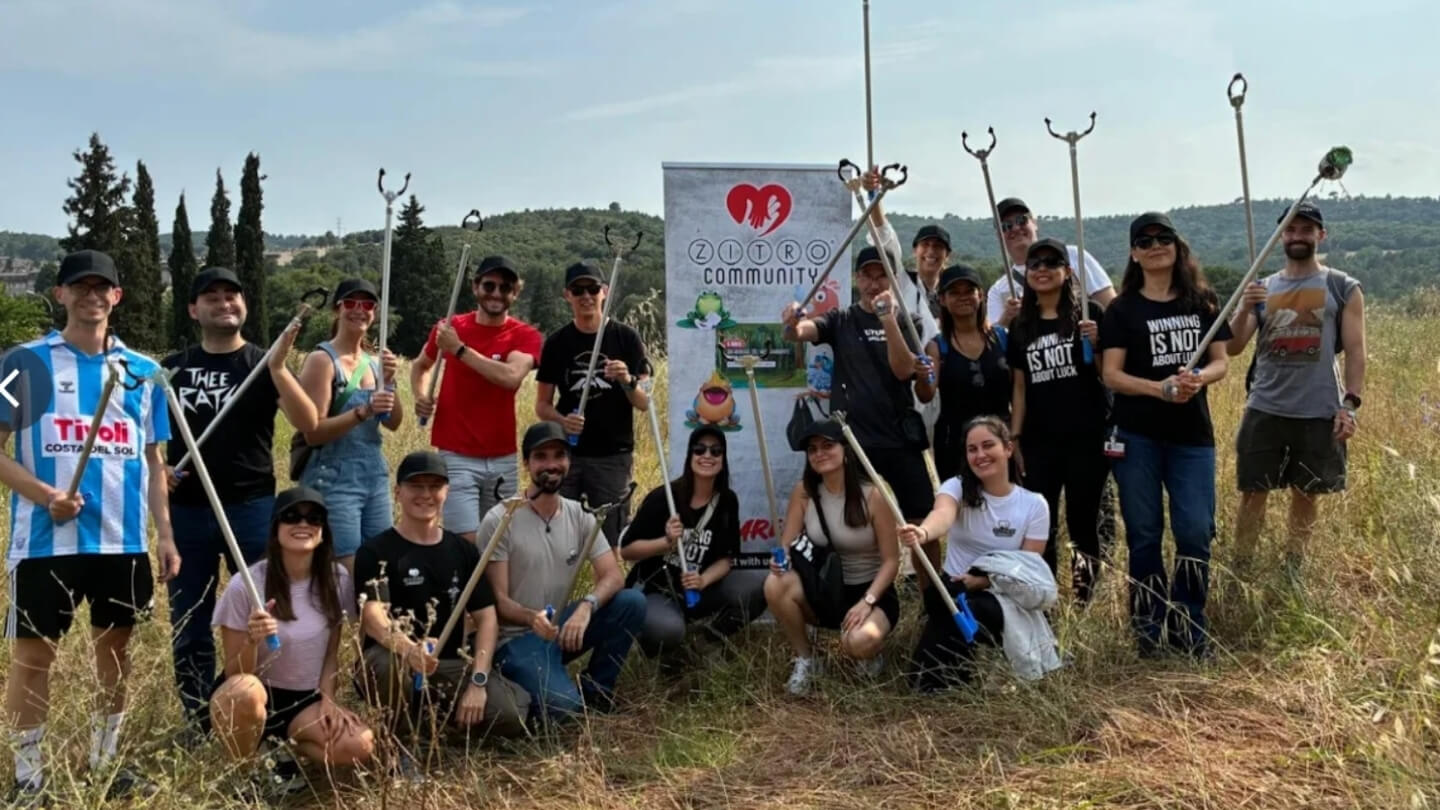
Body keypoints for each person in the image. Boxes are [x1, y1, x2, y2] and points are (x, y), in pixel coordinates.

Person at [3, 250, 177, 801]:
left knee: (116, 655)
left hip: (120, 541)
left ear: (117, 297)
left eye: (103, 287)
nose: (91, 295)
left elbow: (154, 463)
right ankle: (28, 774)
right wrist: (45, 494)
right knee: (33, 658)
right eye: (80, 286)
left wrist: (165, 534)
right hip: (42, 541)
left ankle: (108, 762)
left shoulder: (143, 372)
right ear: (60, 294)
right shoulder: (20, 363)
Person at [162, 266, 320, 731]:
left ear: (244, 305)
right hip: (187, 511)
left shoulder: (262, 363)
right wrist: (157, 471)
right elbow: (146, 440)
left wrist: (276, 368)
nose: (223, 303)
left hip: (251, 509)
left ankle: (269, 712)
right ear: (193, 309)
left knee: (267, 613)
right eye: (210, 296)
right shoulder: (170, 369)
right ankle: (198, 717)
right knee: (190, 619)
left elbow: (308, 422)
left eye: (232, 295)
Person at [1100, 212, 1230, 657]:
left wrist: (1199, 378)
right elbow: (1112, 375)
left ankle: (1190, 624)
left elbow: (1222, 362)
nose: (1156, 246)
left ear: (1177, 246)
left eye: (1164, 238)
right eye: (1145, 240)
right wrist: (1158, 388)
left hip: (1192, 437)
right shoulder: (1122, 310)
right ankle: (1148, 626)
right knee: (1144, 533)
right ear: (1134, 253)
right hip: (1136, 437)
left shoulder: (1202, 300)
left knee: (1195, 530)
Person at [1224, 202, 1365, 580]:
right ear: (1280, 236)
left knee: (1307, 494)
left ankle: (1293, 570)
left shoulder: (1343, 287)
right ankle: (1242, 568)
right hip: (1265, 407)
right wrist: (1244, 308)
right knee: (1253, 492)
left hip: (1319, 408)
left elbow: (1355, 351)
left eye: (1306, 229)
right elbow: (1235, 347)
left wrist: (1349, 405)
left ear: (1321, 235)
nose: (1297, 236)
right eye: (1290, 229)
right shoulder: (1262, 287)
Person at [353, 451, 530, 739]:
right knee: (388, 666)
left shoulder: (463, 551)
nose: (426, 494)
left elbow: (487, 619)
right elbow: (373, 617)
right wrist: (409, 650)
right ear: (398, 493)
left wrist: (478, 682)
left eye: (435, 486)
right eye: (416, 486)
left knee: (513, 712)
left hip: (448, 664)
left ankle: (431, 729)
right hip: (395, 659)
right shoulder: (376, 551)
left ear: (446, 492)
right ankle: (399, 742)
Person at [209, 486, 373, 793]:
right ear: (275, 529)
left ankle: (283, 751)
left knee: (359, 745)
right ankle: (246, 773)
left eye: (314, 518)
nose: (303, 524)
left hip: (303, 698)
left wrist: (328, 699)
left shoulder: (337, 580)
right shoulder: (246, 584)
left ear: (323, 532)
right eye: (291, 517)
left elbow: (330, 654)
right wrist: (252, 641)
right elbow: (235, 673)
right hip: (253, 695)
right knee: (245, 691)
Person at [487, 422, 646, 722]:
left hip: (558, 626)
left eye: (559, 456)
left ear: (569, 462)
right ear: (526, 464)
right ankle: (529, 690)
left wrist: (587, 606)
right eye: (541, 456)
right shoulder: (501, 519)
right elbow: (499, 602)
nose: (551, 465)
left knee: (631, 602)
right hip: (516, 640)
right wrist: (531, 618)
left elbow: (613, 576)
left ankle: (597, 691)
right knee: (564, 708)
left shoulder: (580, 515)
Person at [897, 416, 1057, 692]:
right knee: (923, 678)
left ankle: (982, 663)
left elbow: (1027, 572)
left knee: (966, 606)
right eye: (972, 449)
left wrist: (983, 581)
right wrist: (923, 533)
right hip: (952, 593)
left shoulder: (1034, 505)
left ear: (1008, 448)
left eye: (987, 446)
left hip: (1003, 597)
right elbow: (942, 515)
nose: (980, 455)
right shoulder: (957, 487)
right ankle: (961, 671)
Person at [780, 247, 930, 522]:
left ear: (894, 279)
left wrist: (887, 319)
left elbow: (903, 371)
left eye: (881, 277)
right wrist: (792, 323)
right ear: (857, 278)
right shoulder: (841, 320)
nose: (874, 285)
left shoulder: (909, 321)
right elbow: (800, 333)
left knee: (920, 521)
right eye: (867, 276)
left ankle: (923, 566)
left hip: (899, 439)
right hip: (853, 441)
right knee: (853, 521)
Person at [763, 419, 901, 695]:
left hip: (871, 592)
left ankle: (871, 652)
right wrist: (780, 559)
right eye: (812, 449)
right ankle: (807, 658)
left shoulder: (874, 495)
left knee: (858, 643)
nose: (819, 453)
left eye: (828, 445)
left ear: (846, 450)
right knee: (774, 583)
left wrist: (867, 602)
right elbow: (786, 544)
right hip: (826, 589)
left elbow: (892, 561)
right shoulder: (804, 492)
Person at [412, 256, 543, 541]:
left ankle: (492, 588)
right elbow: (420, 366)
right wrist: (421, 396)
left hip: (502, 456)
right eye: (489, 285)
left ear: (515, 293)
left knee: (499, 541)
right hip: (456, 453)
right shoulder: (449, 327)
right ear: (475, 287)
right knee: (466, 540)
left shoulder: (525, 335)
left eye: (505, 288)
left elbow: (510, 377)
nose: (496, 293)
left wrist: (459, 350)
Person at [1008, 238, 1110, 602]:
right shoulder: (1020, 327)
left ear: (1067, 272)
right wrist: (1015, 439)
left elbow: (1106, 376)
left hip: (1086, 436)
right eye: (1035, 264)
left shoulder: (1090, 314)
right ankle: (1046, 597)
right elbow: (1019, 388)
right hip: (1039, 441)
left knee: (1083, 522)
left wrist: (1097, 344)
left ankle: (1084, 599)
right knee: (1042, 524)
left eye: (1052, 263)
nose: (1043, 269)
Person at [619, 425, 766, 666]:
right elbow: (626, 550)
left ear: (723, 459)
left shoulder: (727, 500)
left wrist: (703, 580)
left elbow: (727, 558)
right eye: (699, 449)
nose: (707, 456)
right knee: (668, 631)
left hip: (700, 590)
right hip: (659, 590)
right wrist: (664, 543)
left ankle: (707, 640)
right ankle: (653, 646)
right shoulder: (663, 497)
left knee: (759, 586)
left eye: (715, 451)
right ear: (690, 456)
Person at [536, 262, 650, 542]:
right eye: (578, 290)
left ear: (604, 292)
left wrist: (627, 380)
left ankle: (610, 585)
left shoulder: (627, 338)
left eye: (592, 288)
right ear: (567, 295)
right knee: (559, 534)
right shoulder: (556, 343)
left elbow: (644, 401)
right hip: (567, 455)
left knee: (613, 536)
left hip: (613, 455)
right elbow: (542, 406)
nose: (586, 296)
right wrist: (562, 421)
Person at [296, 278, 402, 568]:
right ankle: (346, 615)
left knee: (381, 561)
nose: (359, 310)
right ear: (337, 309)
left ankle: (379, 615)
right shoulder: (321, 360)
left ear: (375, 311)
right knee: (346, 567)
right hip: (334, 477)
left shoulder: (374, 362)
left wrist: (390, 381)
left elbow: (393, 422)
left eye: (367, 304)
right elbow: (313, 432)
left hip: (374, 476)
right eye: (351, 303)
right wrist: (362, 411)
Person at [914, 264, 1011, 481]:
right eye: (954, 293)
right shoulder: (937, 347)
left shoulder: (1003, 338)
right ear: (942, 300)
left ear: (981, 295)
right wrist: (921, 375)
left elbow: (1020, 389)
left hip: (1001, 439)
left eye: (969, 291)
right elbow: (926, 393)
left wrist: (1018, 435)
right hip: (955, 444)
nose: (963, 297)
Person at [984, 197, 1116, 328]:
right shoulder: (997, 292)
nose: (1016, 228)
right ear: (999, 235)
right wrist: (1006, 319)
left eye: (1021, 220)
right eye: (1006, 226)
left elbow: (1111, 307)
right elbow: (996, 341)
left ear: (1034, 223)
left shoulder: (1074, 255)